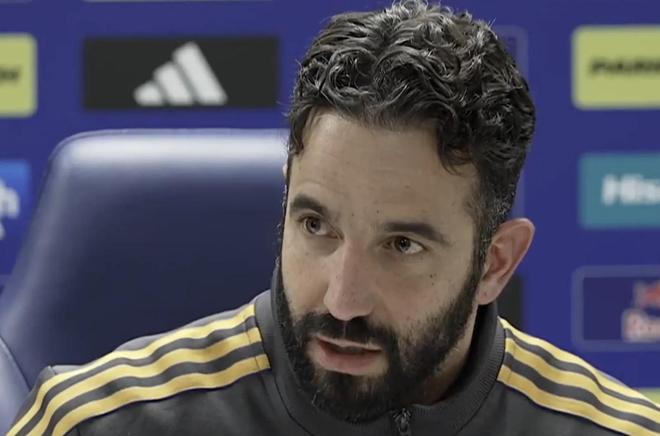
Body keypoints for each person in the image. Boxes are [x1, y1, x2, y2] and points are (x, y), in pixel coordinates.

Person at [8, 1, 660, 435]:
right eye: (317, 227)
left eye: (401, 245)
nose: (343, 300)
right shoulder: (95, 423)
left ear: (495, 264)